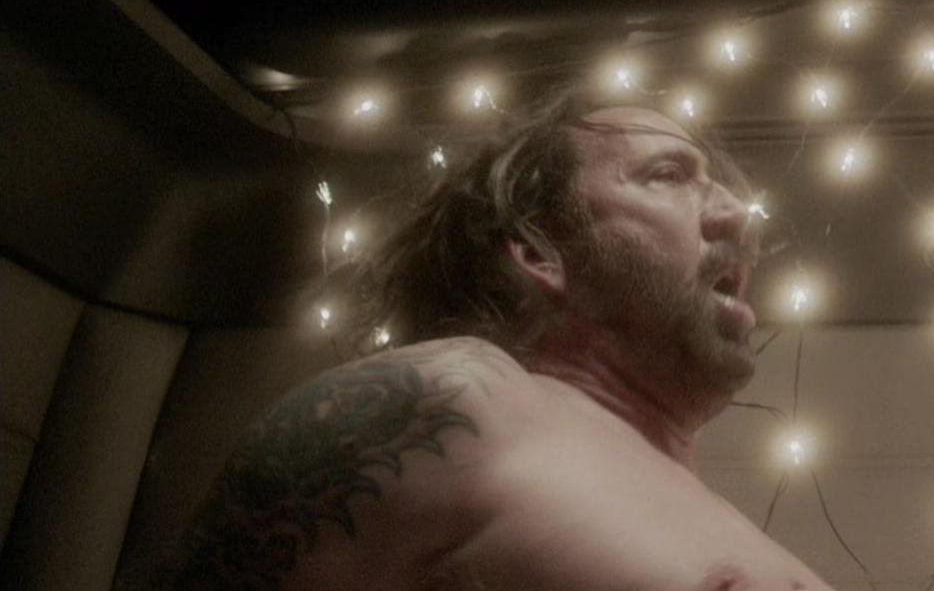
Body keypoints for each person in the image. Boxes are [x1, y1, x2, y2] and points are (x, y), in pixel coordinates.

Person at [154, 87, 832, 590]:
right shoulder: (459, 398)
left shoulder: (712, 509)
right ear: (539, 251)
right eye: (668, 175)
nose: (742, 214)